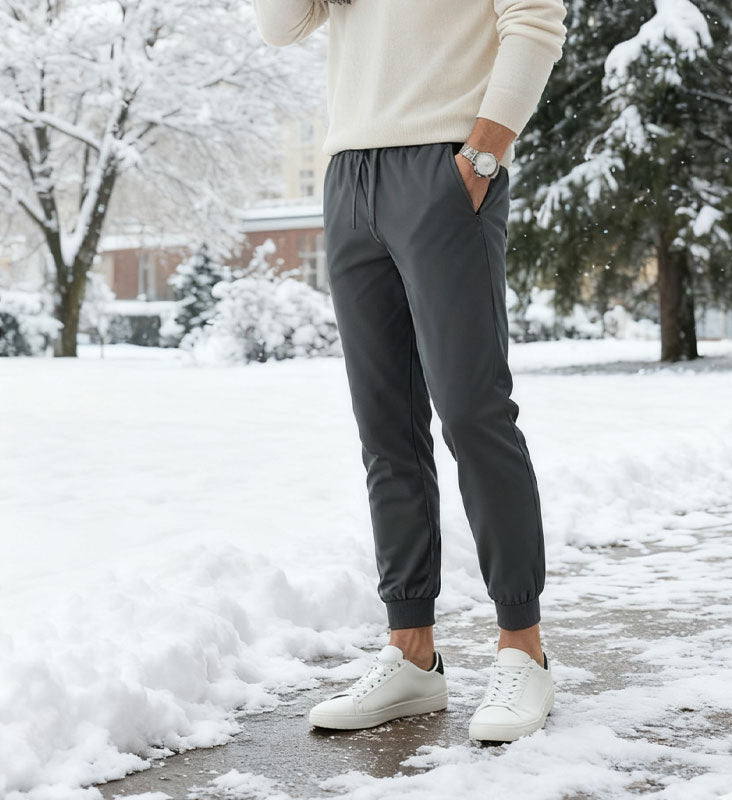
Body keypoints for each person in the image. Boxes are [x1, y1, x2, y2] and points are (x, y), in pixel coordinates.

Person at [252, 0, 568, 743]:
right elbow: (279, 25)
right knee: (385, 427)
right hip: (350, 173)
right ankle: (411, 652)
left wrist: (485, 149)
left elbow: (535, 19)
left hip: (448, 162)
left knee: (471, 410)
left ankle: (523, 646)